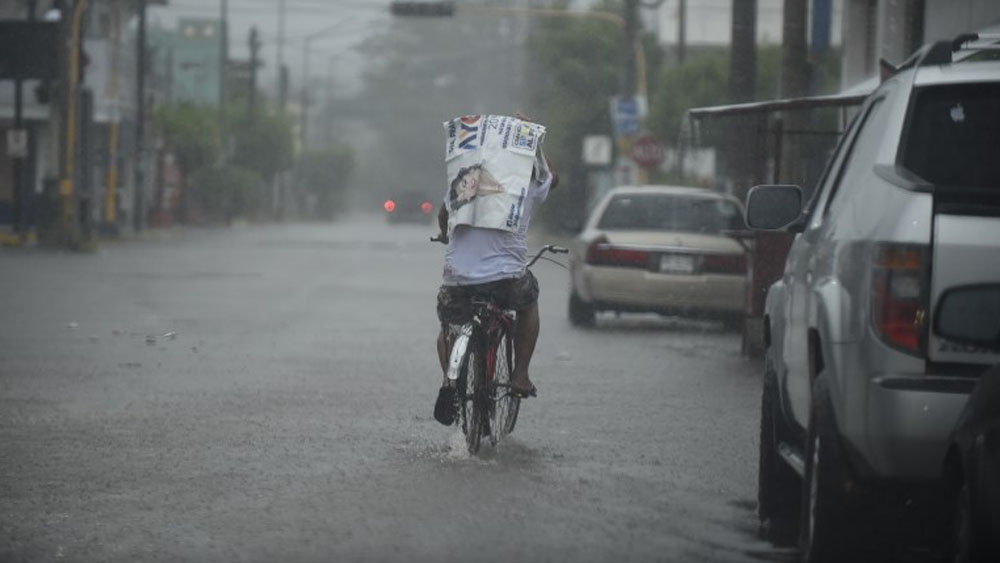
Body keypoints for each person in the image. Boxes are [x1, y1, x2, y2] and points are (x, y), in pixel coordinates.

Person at [433, 137, 558, 426]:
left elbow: (443, 215)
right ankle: (520, 375)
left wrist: (445, 235)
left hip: (459, 279)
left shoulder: (466, 178)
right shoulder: (524, 178)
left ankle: (450, 381)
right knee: (529, 302)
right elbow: (554, 178)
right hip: (506, 279)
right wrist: (537, 143)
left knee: (449, 326)